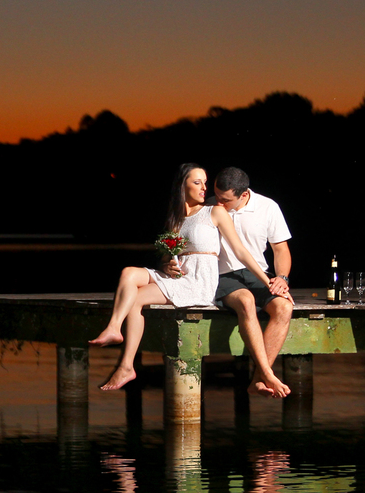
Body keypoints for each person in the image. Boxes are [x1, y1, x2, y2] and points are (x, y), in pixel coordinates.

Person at [89, 164, 290, 397]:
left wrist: (273, 281)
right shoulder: (180, 217)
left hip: (205, 279)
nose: (206, 190)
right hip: (190, 276)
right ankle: (122, 354)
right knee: (129, 277)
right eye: (199, 183)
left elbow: (245, 251)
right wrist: (167, 264)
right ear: (182, 186)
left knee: (281, 306)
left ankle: (263, 375)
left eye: (205, 183)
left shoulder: (219, 210)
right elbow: (169, 255)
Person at [164, 166, 294, 397]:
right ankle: (268, 374)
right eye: (216, 195)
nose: (218, 202)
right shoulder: (207, 206)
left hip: (257, 273)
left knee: (284, 307)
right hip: (220, 274)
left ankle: (259, 378)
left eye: (225, 200)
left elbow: (280, 249)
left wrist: (281, 278)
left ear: (243, 195)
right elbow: (178, 242)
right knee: (245, 301)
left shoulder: (268, 207)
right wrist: (168, 263)